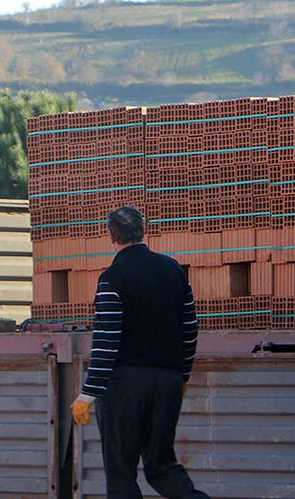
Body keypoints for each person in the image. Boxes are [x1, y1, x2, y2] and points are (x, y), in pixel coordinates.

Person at [71, 206, 208, 499]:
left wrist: (87, 393)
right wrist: (182, 375)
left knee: (121, 473)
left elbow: (107, 339)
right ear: (142, 230)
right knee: (161, 467)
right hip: (168, 383)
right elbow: (190, 329)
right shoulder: (173, 270)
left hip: (126, 386)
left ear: (111, 235)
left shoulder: (113, 277)